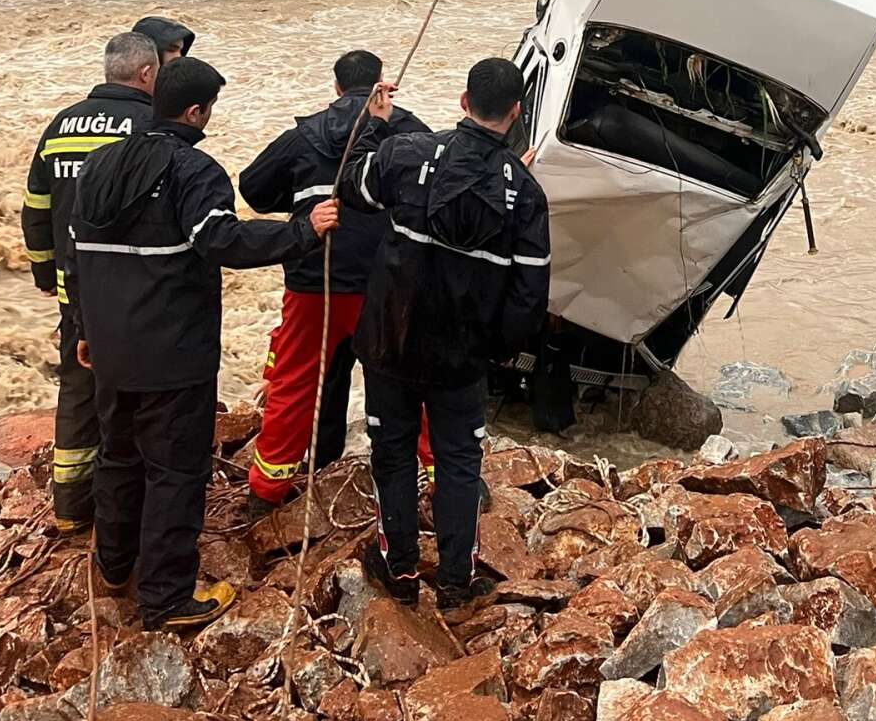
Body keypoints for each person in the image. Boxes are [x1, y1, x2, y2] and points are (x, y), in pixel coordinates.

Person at [70, 56, 337, 630]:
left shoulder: (99, 166)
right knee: (175, 469)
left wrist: (82, 330)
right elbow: (221, 241)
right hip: (173, 352)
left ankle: (114, 566)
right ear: (195, 111)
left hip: (112, 349)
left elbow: (76, 254)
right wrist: (302, 231)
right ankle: (166, 597)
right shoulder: (194, 169)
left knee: (118, 456)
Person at [341, 58, 550, 615]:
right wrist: (495, 352)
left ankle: (401, 570)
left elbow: (352, 185)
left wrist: (377, 123)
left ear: (462, 101)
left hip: (390, 341)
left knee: (392, 452)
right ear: (515, 113)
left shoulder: (406, 154)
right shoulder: (523, 193)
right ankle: (457, 580)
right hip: (461, 356)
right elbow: (530, 297)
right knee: (459, 461)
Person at [239, 50, 431, 517]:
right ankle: (436, 475)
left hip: (315, 281)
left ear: (336, 88)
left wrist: (301, 203)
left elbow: (252, 188)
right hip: (388, 282)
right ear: (383, 84)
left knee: (295, 381)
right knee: (414, 380)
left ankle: (268, 490)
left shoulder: (304, 136)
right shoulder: (411, 133)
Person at [22, 31, 159, 531]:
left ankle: (69, 506)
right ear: (147, 74)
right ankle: (129, 503)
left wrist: (43, 269)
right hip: (128, 287)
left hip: (70, 285)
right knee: (136, 389)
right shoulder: (147, 124)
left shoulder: (62, 123)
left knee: (77, 385)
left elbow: (36, 205)